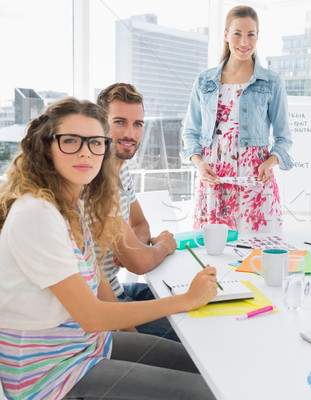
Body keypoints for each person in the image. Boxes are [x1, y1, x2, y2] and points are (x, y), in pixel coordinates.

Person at [0, 98, 217, 399]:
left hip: (88, 345)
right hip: (51, 376)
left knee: (207, 367)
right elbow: (90, 316)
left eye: (95, 143)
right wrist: (187, 300)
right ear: (45, 147)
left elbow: (99, 283)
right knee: (204, 392)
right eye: (71, 141)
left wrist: (131, 335)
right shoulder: (37, 213)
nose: (85, 152)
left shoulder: (70, 204)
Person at [181, 5, 293, 233]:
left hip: (254, 179)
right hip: (213, 178)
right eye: (237, 34)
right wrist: (199, 164)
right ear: (225, 35)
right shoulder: (204, 81)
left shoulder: (271, 82)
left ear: (258, 36)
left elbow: (284, 138)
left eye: (251, 34)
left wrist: (269, 163)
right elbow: (190, 131)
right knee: (214, 252)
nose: (244, 42)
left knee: (258, 250)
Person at [96, 83, 179, 341]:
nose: (130, 133)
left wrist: (133, 244)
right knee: (190, 335)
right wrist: (163, 246)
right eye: (119, 122)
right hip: (106, 308)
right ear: (100, 123)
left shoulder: (123, 169)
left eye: (138, 124)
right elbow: (140, 263)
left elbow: (141, 224)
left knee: (197, 308)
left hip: (119, 289)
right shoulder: (95, 178)